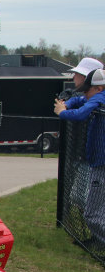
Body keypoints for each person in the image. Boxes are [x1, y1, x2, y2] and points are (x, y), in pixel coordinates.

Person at [54, 68, 105, 250]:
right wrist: (67, 103)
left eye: (87, 90)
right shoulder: (96, 96)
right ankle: (99, 241)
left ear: (98, 88)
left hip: (101, 164)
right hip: (98, 161)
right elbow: (80, 100)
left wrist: (62, 112)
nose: (84, 93)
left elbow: (82, 113)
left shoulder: (100, 98)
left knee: (92, 213)